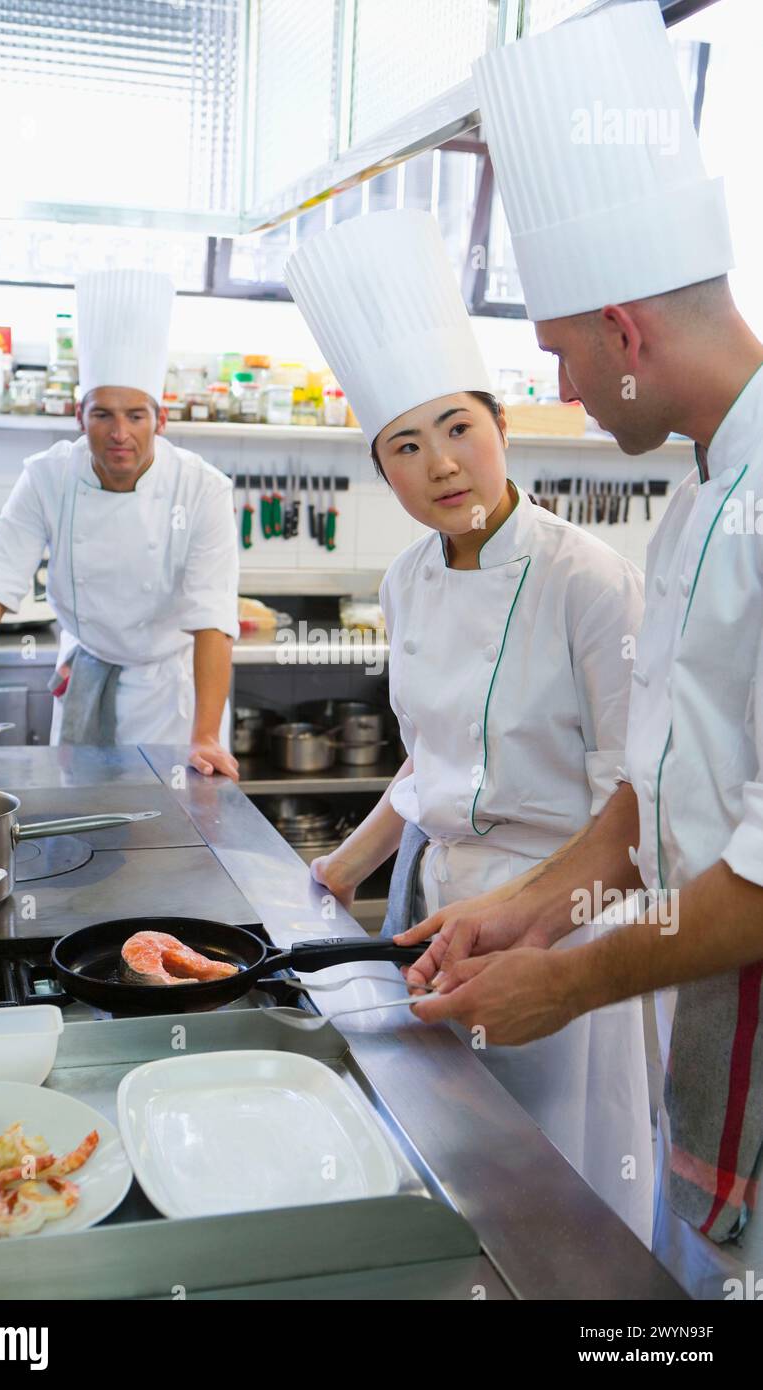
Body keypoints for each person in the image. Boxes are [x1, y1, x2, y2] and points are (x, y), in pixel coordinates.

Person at [401, 1, 763, 1299]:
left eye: (557, 351)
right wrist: (527, 905)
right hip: (707, 1027)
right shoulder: (693, 500)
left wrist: (574, 977)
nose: (557, 383)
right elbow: (651, 800)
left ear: (622, 329)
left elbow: (757, 878)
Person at [285, 208, 653, 1243]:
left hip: (570, 921)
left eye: (458, 427)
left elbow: (637, 800)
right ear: (382, 468)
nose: (441, 463)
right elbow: (432, 758)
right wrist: (336, 870)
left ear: (498, 426)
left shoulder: (588, 581)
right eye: (405, 444)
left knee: (566, 1191)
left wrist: (537, 924)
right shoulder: (404, 579)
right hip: (443, 916)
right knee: (465, 1182)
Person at [0, 269, 239, 776]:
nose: (120, 434)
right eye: (103, 415)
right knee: (78, 832)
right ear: (78, 415)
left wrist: (204, 735)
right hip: (86, 674)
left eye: (136, 415)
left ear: (160, 420)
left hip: (170, 701)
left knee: (168, 841)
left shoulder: (202, 489)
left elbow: (213, 618)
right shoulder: (48, 477)